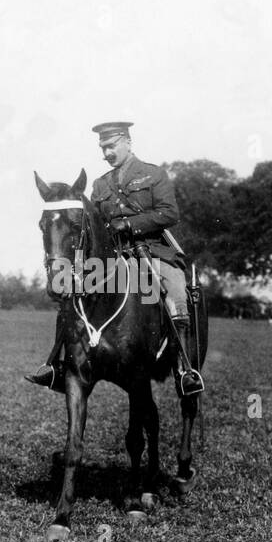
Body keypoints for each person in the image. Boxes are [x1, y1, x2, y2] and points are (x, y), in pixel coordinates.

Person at [26, 121, 204, 396]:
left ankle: (184, 370)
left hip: (152, 253)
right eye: (102, 147)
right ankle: (58, 366)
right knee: (70, 295)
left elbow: (169, 213)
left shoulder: (153, 175)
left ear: (128, 142)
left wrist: (130, 225)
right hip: (113, 259)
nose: (106, 153)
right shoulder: (100, 184)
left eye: (111, 146)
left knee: (177, 294)